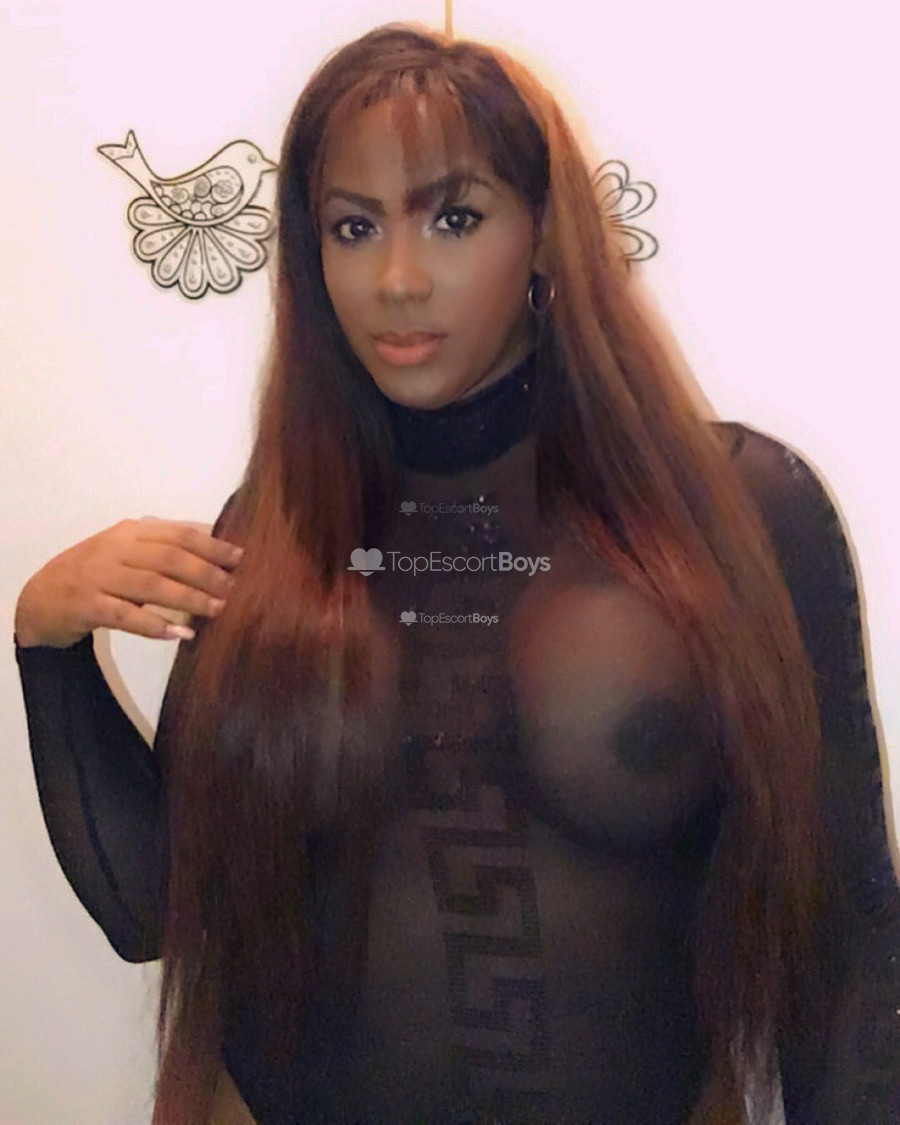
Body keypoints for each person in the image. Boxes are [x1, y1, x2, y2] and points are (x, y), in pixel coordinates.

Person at [13, 21, 900, 1125]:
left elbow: (847, 935)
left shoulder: (739, 507)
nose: (397, 279)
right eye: (353, 227)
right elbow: (156, 911)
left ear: (543, 233)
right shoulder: (281, 528)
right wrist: (49, 646)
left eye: (454, 217)